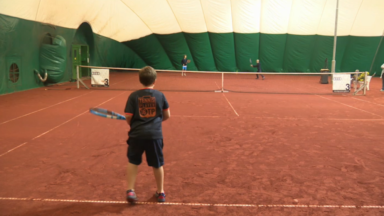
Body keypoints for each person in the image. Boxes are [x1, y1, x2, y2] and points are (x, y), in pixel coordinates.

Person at [124, 66, 170, 203]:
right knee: (157, 164)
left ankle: (130, 190)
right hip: (155, 135)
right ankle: (160, 192)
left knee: (133, 161)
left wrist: (135, 123)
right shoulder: (160, 95)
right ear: (154, 80)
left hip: (137, 135)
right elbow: (167, 115)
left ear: (140, 80)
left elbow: (128, 117)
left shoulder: (133, 96)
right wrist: (156, 121)